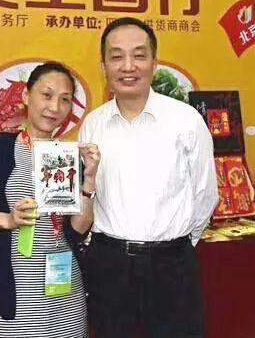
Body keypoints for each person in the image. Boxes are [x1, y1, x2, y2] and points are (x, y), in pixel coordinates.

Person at [79, 17, 219, 338]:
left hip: (172, 265)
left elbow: (205, 195)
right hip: (110, 264)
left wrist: (176, 246)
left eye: (139, 55)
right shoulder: (93, 124)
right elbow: (89, 192)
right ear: (104, 67)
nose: (128, 66)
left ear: (154, 64)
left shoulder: (186, 120)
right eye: (117, 57)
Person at [0, 61, 100, 338]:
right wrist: (7, 220)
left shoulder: (67, 157)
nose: (54, 107)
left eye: (64, 99)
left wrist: (89, 179)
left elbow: (78, 231)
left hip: (64, 292)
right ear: (26, 95)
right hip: (14, 294)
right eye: (46, 95)